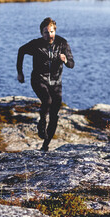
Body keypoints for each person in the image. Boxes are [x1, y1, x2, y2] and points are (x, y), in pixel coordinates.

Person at [17, 17, 75, 150]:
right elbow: (21, 51)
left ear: (55, 30)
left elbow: (72, 64)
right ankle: (42, 122)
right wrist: (20, 73)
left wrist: (65, 60)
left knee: (55, 114)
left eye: (52, 31)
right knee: (47, 100)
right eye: (46, 32)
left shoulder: (62, 43)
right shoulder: (36, 44)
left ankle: (45, 145)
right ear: (41, 33)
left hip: (56, 82)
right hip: (39, 79)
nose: (49, 35)